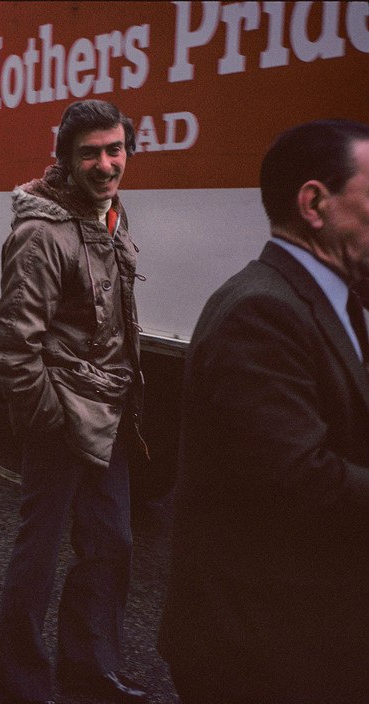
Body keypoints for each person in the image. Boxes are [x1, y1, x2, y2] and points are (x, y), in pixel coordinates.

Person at [158, 120, 369, 704]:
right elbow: (303, 481)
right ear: (314, 203)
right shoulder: (260, 312)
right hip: (260, 652)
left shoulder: (336, 298)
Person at [0, 99, 148, 704]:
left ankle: (90, 668)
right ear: (65, 159)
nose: (106, 164)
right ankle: (21, 684)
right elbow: (10, 343)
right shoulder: (41, 235)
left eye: (115, 150)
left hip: (108, 414)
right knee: (40, 555)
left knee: (110, 547)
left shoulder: (109, 215)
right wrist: (49, 419)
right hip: (60, 419)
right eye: (90, 154)